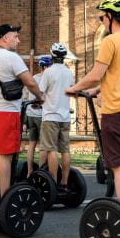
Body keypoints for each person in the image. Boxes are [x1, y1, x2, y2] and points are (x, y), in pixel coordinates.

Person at [65, 0, 120, 221]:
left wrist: (75, 88)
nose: (101, 21)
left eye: (101, 17)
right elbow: (119, 76)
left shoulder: (110, 41)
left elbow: (95, 74)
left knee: (119, 167)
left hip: (116, 112)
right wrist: (97, 91)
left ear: (110, 16)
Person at [0, 24, 45, 213]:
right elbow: (30, 81)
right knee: (5, 156)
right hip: (6, 113)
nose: (18, 40)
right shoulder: (11, 58)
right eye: (15, 36)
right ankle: (6, 198)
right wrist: (40, 97)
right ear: (5, 38)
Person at [38, 43, 74, 191]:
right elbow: (71, 91)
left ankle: (52, 182)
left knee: (51, 149)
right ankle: (64, 183)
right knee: (65, 150)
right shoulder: (68, 72)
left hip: (50, 116)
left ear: (52, 56)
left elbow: (40, 92)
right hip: (65, 117)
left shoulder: (48, 72)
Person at [24, 56, 51, 177]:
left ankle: (29, 171)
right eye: (49, 66)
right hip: (41, 116)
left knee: (32, 143)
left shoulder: (33, 78)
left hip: (30, 114)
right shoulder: (47, 79)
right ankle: (41, 173)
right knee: (44, 145)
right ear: (45, 67)